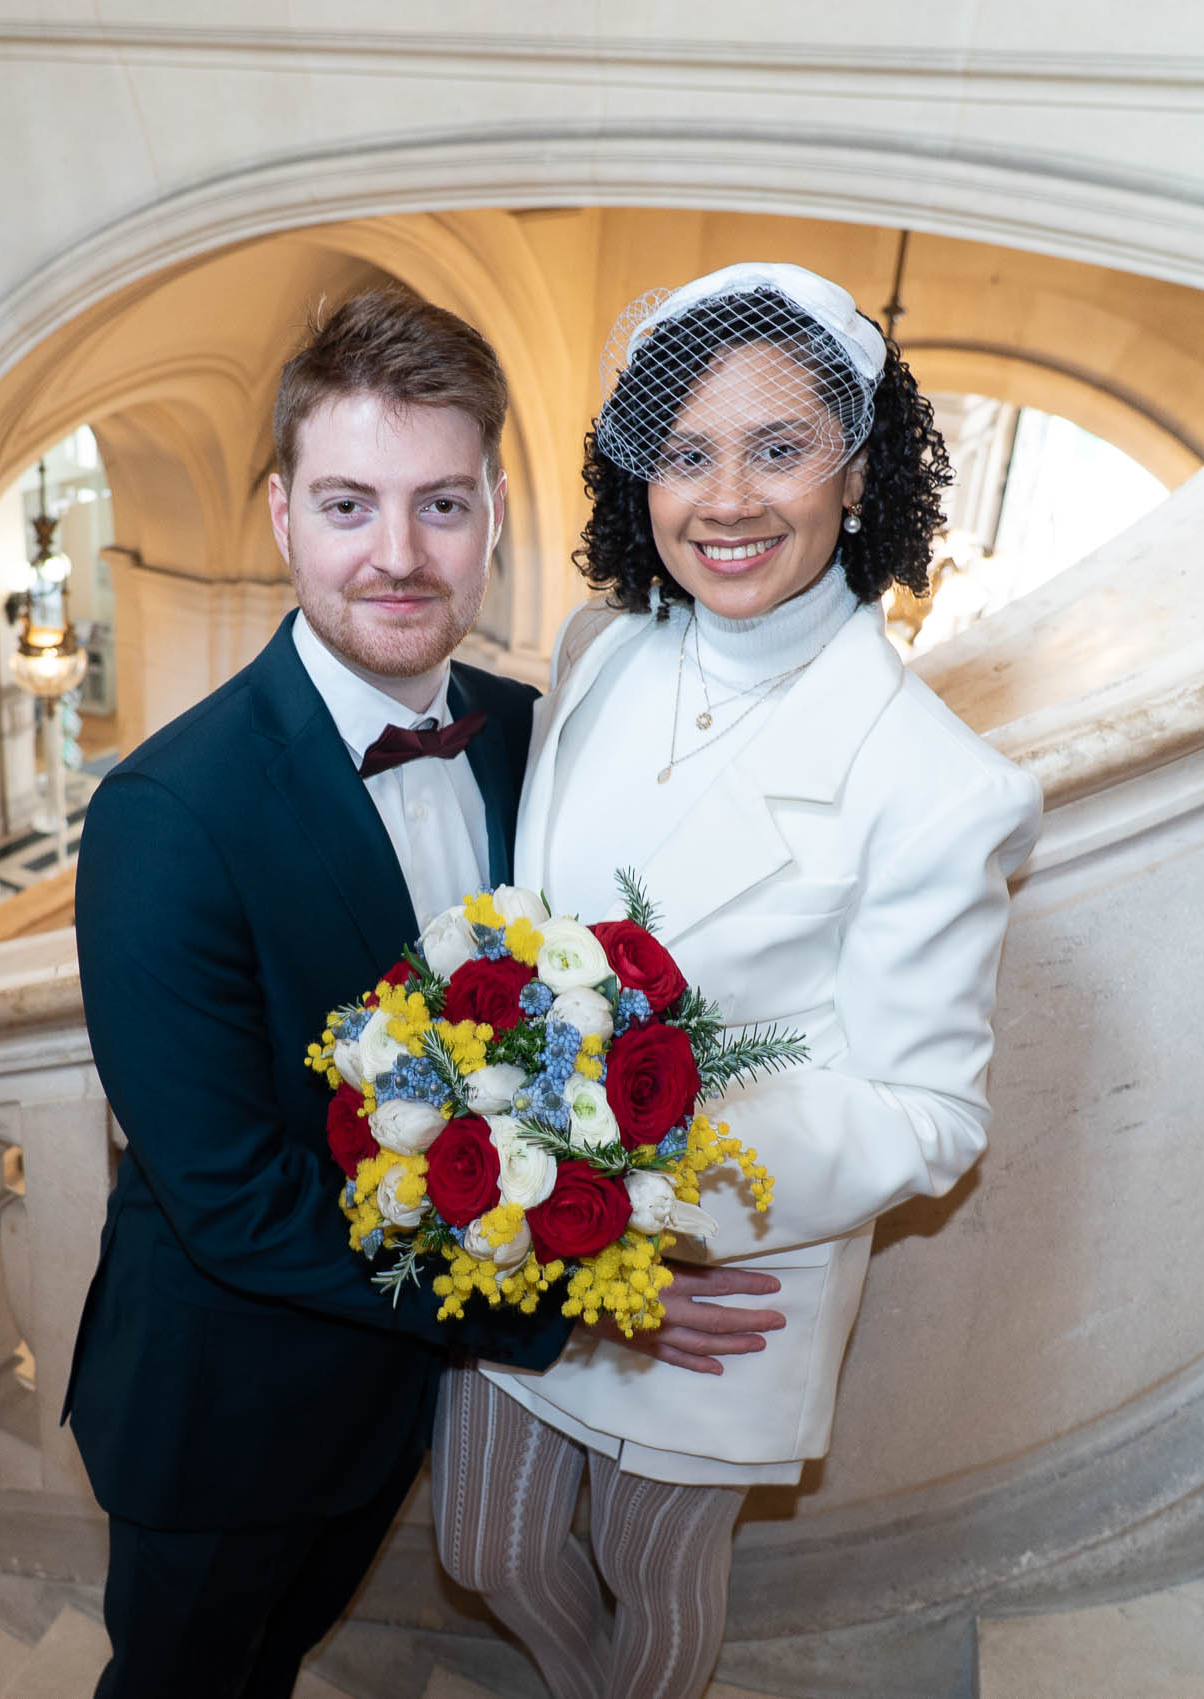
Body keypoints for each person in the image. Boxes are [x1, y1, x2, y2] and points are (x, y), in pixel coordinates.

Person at [66, 288, 783, 1699]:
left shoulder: (532, 738)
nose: (396, 557)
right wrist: (567, 1301)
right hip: (225, 1410)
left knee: (285, 1660)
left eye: (439, 505)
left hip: (396, 1400)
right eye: (347, 505)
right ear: (280, 517)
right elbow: (232, 1204)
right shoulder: (166, 813)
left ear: (496, 511)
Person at [433, 262, 1043, 1699]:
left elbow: (929, 1116)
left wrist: (643, 1199)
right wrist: (529, 1183)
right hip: (525, 1237)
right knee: (492, 1552)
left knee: (656, 1577)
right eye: (688, 453)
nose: (729, 501)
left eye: (779, 449)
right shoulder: (600, 650)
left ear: (861, 466)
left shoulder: (939, 784)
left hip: (719, 1280)